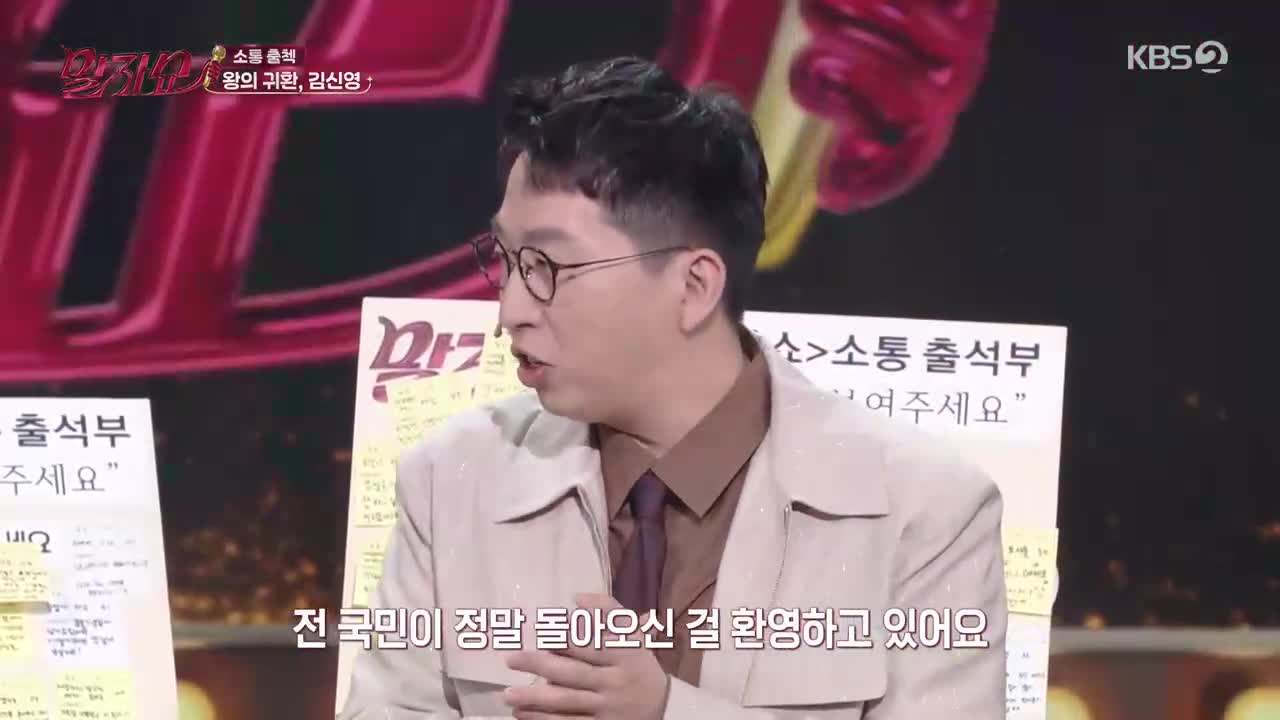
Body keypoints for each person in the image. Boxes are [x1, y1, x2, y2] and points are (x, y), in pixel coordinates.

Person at [340, 56, 1006, 719]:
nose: (511, 308)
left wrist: (665, 712)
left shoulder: (926, 509)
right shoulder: (450, 479)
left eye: (548, 265)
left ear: (693, 286)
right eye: (508, 261)